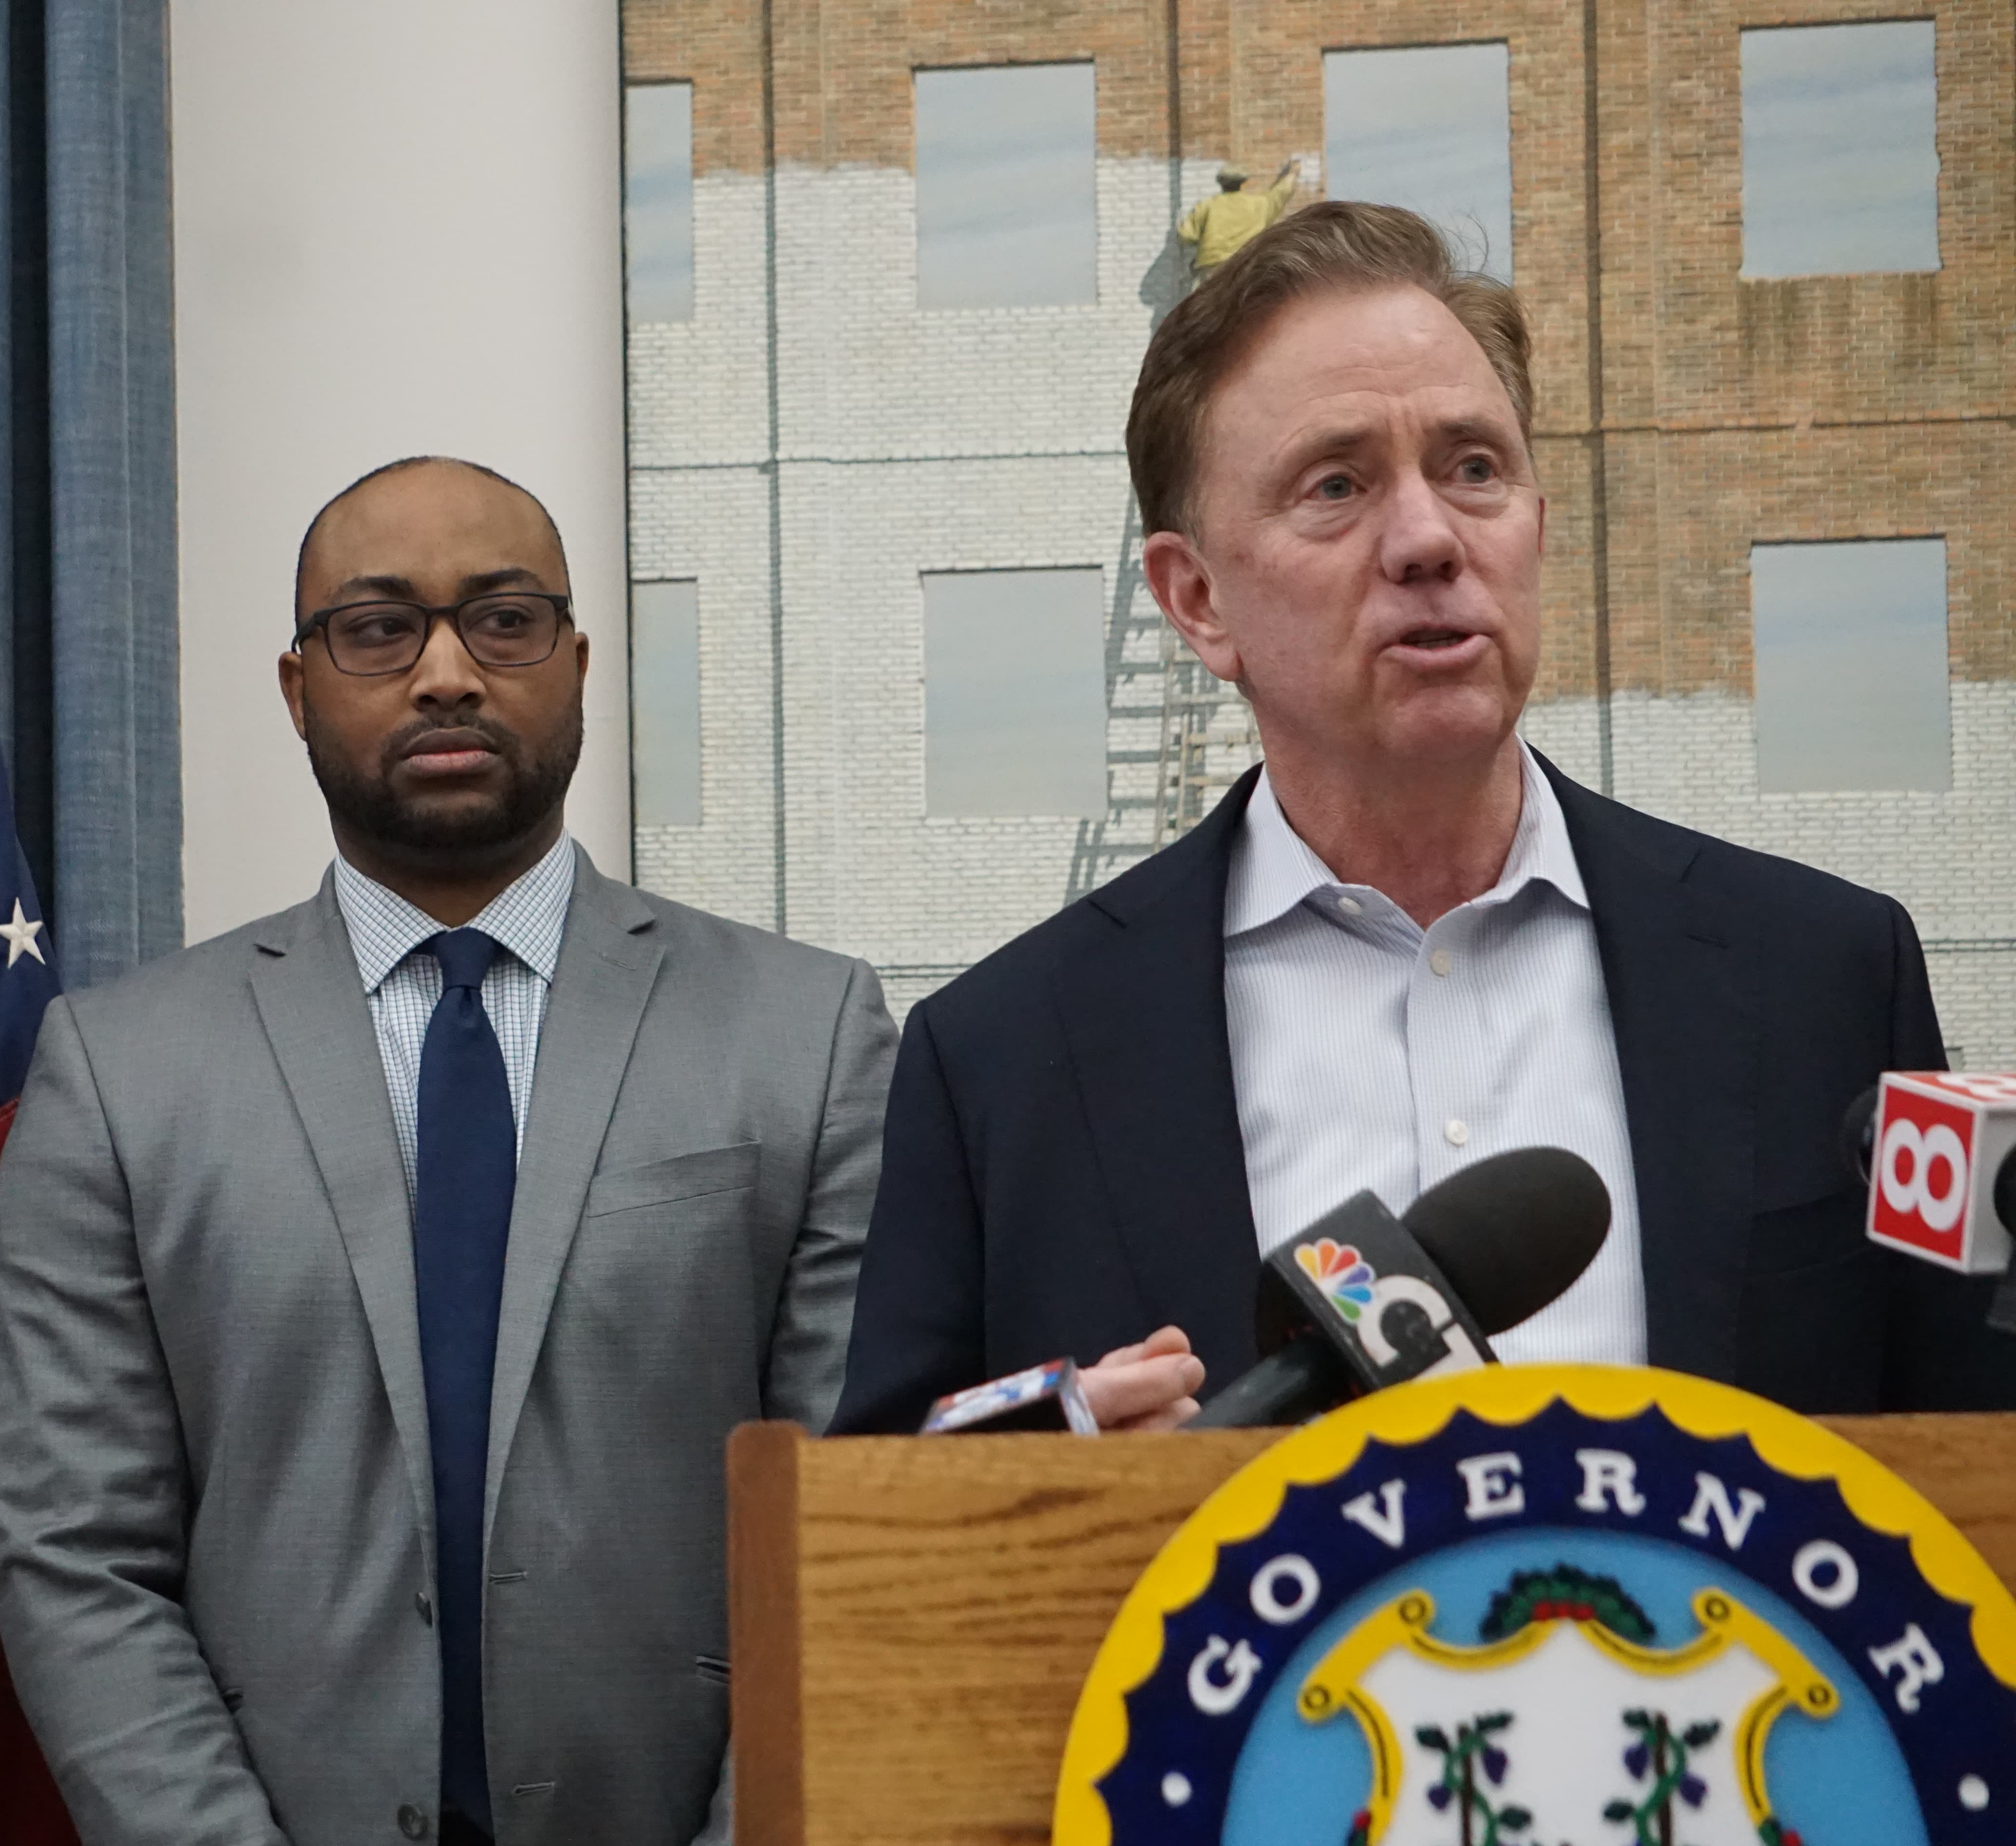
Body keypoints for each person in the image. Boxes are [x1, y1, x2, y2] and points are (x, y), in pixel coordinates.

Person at [0, 457, 1196, 1846]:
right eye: (377, 631)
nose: (442, 673)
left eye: (501, 621)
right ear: (296, 688)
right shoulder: (118, 1072)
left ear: (577, 662)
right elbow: (74, 1558)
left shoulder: (801, 1039)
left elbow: (847, 1526)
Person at [833, 203, 2016, 1435]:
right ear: (1197, 601)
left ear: (1536, 528)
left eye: (1473, 468)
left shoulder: (1821, 975)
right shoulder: (1005, 1062)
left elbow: (1975, 1473)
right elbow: (879, 1519)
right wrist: (1056, 1486)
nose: (1428, 539)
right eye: (1336, 485)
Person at [1177, 156, 1313, 274]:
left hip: (1212, 268)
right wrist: (1292, 174)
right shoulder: (1259, 204)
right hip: (1245, 266)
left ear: (1221, 183)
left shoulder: (1207, 205)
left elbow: (1187, 235)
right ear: (1243, 182)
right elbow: (1281, 193)